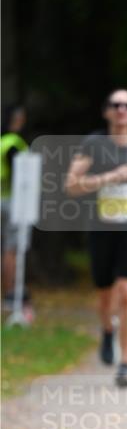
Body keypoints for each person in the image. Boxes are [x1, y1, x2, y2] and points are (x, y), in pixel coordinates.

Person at [65, 89, 127, 386]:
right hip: (101, 228)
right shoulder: (94, 143)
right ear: (107, 111)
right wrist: (109, 177)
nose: (122, 109)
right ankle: (107, 330)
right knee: (105, 295)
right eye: (116, 105)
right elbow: (71, 185)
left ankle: (126, 363)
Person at [1, 104, 32, 315]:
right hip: (12, 202)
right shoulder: (14, 143)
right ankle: (10, 294)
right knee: (11, 251)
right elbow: (20, 176)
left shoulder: (2, 141)